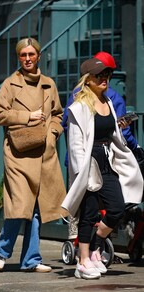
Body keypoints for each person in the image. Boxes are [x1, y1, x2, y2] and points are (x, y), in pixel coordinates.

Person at [61, 57, 143, 279]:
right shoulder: (79, 106)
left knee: (117, 207)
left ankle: (95, 244)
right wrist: (81, 173)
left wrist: (120, 130)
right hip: (89, 162)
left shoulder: (108, 103)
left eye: (107, 75)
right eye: (99, 76)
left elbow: (111, 134)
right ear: (88, 80)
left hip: (106, 159)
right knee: (88, 213)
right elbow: (76, 142)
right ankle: (83, 261)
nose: (104, 79)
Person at [0, 37, 67, 272]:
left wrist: (53, 133)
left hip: (43, 152)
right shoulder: (10, 84)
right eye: (23, 55)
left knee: (36, 207)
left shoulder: (48, 84)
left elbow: (58, 114)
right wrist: (28, 117)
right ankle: (2, 250)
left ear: (38, 56)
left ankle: (31, 260)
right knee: (20, 205)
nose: (27, 59)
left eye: (31, 55)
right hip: (17, 153)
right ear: (18, 57)